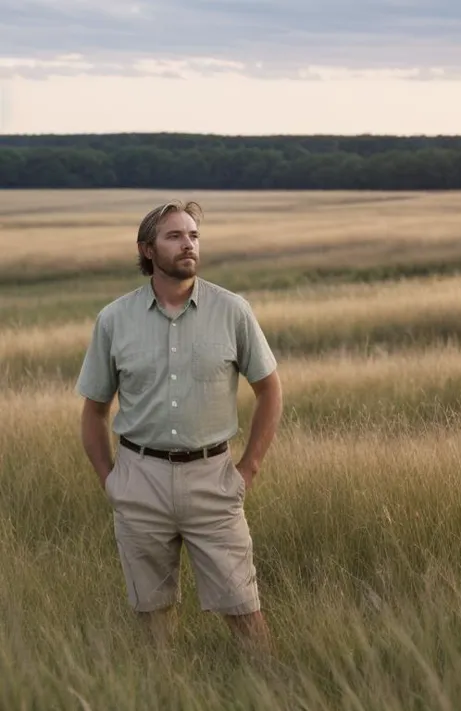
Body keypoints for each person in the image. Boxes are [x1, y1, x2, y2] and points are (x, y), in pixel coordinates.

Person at [76, 199, 283, 653]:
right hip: (138, 480)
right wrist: (111, 481)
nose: (188, 244)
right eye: (174, 236)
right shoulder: (114, 319)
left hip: (214, 480)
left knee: (243, 609)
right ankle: (161, 693)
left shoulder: (232, 310)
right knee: (151, 616)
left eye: (193, 235)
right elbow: (93, 411)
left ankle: (276, 691)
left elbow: (270, 389)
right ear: (147, 249)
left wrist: (248, 469)